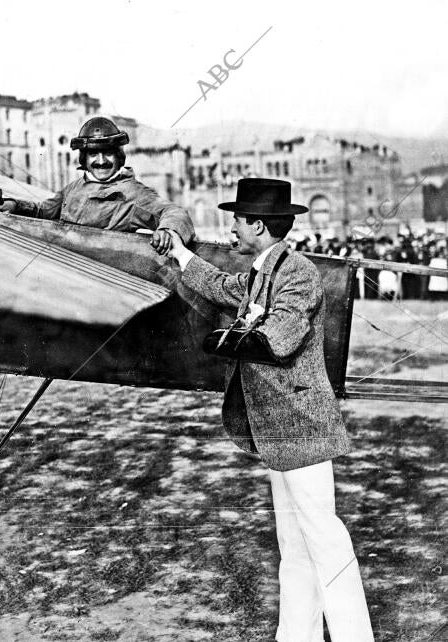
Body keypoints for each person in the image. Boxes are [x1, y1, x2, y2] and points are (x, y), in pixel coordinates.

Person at [163, 178, 374, 642]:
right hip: (278, 428)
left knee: (324, 540)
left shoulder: (295, 272)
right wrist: (179, 252)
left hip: (300, 425)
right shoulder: (263, 271)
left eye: (237, 220)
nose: (231, 228)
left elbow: (281, 334)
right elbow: (222, 285)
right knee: (294, 545)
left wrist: (230, 338)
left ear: (257, 225)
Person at [0, 116, 194, 254]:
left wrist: (168, 231)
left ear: (118, 156)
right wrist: (14, 205)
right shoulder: (75, 187)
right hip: (67, 267)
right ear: (84, 158)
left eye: (108, 153)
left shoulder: (131, 192)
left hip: (104, 277)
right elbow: (43, 211)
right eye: (93, 154)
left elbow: (174, 212)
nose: (101, 161)